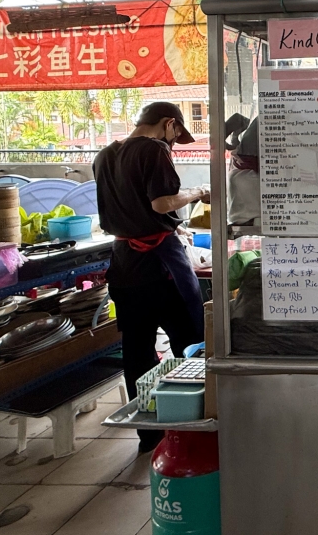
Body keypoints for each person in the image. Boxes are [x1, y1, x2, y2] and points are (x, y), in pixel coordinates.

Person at [93, 102, 210, 453]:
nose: (175, 142)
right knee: (190, 342)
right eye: (177, 134)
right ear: (169, 124)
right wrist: (199, 192)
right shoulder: (154, 149)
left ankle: (149, 435)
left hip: (125, 263)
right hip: (161, 263)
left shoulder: (104, 156)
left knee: (137, 347)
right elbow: (162, 204)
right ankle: (192, 427)